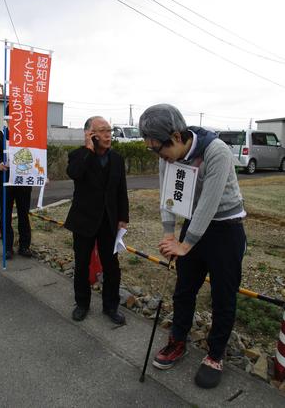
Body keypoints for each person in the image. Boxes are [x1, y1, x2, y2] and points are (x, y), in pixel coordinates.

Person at [139, 104, 247, 389]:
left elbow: (210, 203)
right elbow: (168, 195)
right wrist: (169, 235)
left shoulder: (216, 151)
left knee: (224, 293)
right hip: (192, 226)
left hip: (226, 227)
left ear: (176, 136)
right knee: (184, 288)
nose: (158, 155)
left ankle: (215, 353)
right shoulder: (167, 157)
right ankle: (178, 339)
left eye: (158, 148)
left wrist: (186, 243)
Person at [64, 116, 129, 325]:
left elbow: (121, 191)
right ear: (90, 134)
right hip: (84, 220)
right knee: (82, 264)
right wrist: (88, 150)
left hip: (109, 221)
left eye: (109, 130)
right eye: (102, 130)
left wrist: (123, 218)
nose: (108, 135)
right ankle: (82, 304)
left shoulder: (117, 159)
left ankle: (111, 306)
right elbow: (74, 173)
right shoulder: (78, 156)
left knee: (112, 266)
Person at [0, 123, 32, 260]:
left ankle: (24, 246)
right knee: (5, 214)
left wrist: (41, 174)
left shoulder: (27, 135)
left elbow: (35, 154)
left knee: (23, 214)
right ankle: (7, 248)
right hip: (5, 180)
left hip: (23, 180)